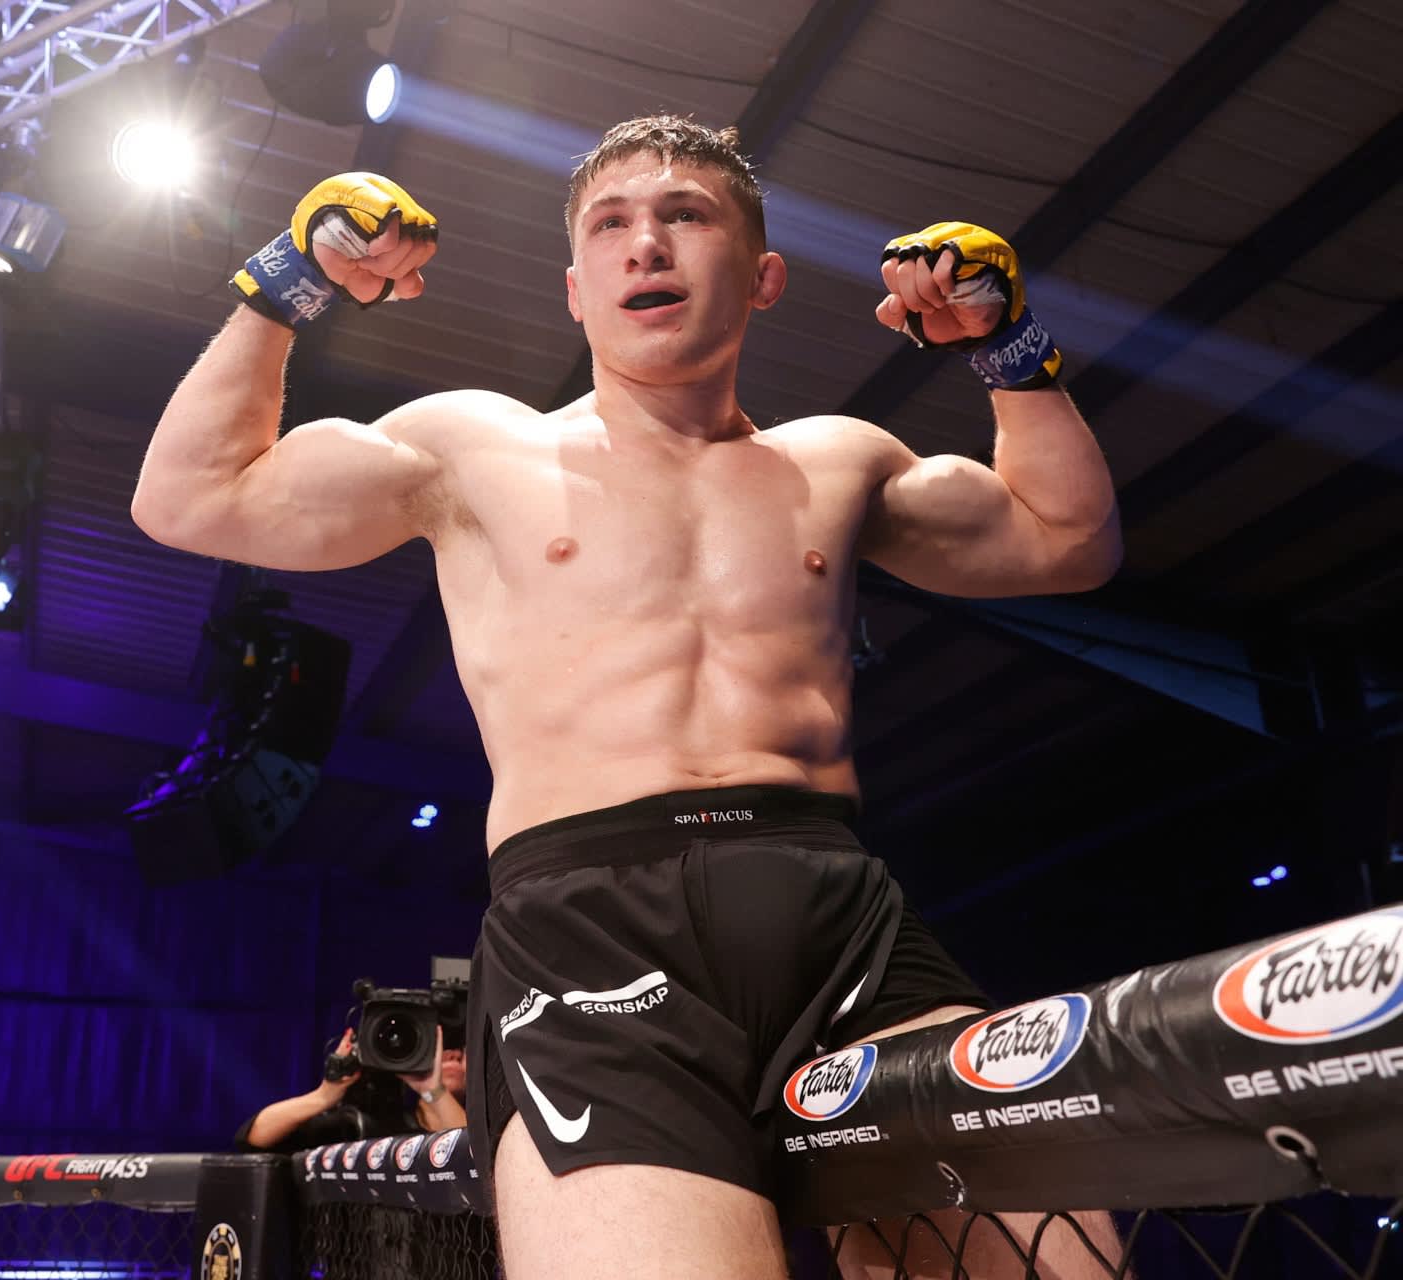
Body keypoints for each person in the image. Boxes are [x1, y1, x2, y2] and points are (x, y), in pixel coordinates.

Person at [133, 115, 1124, 1279]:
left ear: (762, 278)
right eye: (611, 225)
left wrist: (1005, 344)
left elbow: (1069, 542)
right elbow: (191, 496)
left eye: (684, 215)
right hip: (589, 932)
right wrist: (288, 280)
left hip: (839, 917)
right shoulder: (473, 450)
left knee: (1064, 1265)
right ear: (575, 289)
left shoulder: (840, 458)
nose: (644, 244)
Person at [236, 1026, 468, 1154]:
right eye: (437, 1049)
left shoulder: (486, 1129)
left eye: (460, 1052)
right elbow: (256, 1138)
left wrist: (435, 1091)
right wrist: (323, 1096)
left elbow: (472, 1157)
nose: (450, 1055)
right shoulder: (370, 1128)